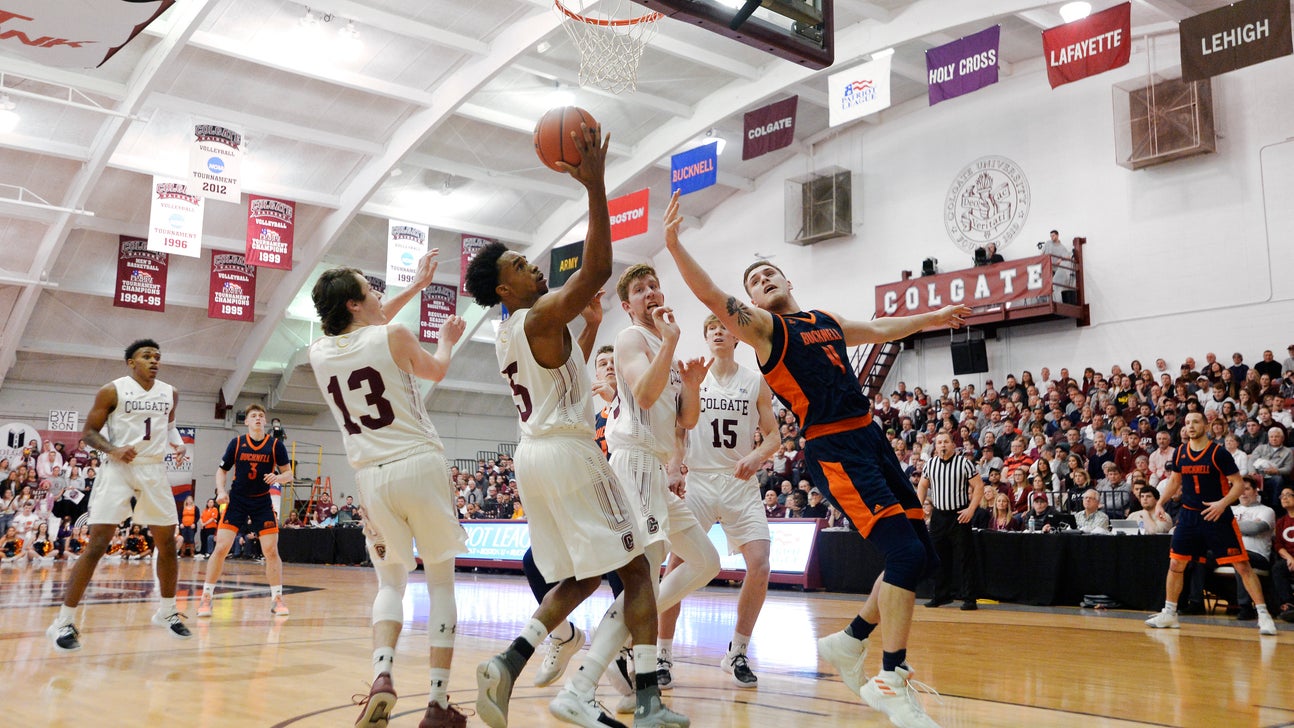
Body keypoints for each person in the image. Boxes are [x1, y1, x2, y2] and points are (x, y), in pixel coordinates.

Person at [662, 188, 970, 727]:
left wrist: (935, 316)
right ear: (751, 304)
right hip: (832, 447)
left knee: (922, 556)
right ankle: (890, 676)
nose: (765, 280)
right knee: (901, 557)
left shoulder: (824, 320)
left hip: (870, 438)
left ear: (789, 281)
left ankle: (850, 642)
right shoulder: (765, 331)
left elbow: (878, 330)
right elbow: (712, 295)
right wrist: (674, 244)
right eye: (755, 281)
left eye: (770, 273)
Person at [464, 123, 687, 728]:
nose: (534, 266)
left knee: (588, 572)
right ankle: (647, 701)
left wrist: (586, 329)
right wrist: (595, 186)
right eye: (520, 265)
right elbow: (600, 267)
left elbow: (566, 372)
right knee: (637, 568)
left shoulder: (507, 333)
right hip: (568, 452)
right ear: (505, 287)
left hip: (534, 455)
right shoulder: (535, 311)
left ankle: (510, 662)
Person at [309, 247, 471, 728]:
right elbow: (436, 369)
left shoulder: (318, 352)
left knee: (390, 582)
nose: (378, 294)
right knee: (440, 582)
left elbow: (373, 329)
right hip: (418, 465)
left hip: (371, 478)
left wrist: (416, 288)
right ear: (355, 305)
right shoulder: (395, 336)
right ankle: (438, 704)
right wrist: (445, 339)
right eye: (369, 288)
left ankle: (382, 675)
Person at [658, 315, 781, 688]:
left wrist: (757, 456)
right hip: (698, 480)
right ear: (706, 335)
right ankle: (663, 654)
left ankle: (738, 651)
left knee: (760, 564)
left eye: (724, 327)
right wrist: (675, 467)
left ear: (736, 336)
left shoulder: (755, 380)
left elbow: (773, 436)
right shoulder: (692, 375)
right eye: (711, 327)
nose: (717, 332)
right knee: (677, 565)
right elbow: (678, 432)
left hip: (739, 483)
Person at [46, 339, 190, 652]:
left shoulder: (171, 392)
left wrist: (177, 444)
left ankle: (166, 612)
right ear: (130, 362)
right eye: (146, 356)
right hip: (118, 468)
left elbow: (169, 426)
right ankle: (63, 621)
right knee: (97, 544)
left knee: (167, 542)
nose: (154, 361)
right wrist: (113, 448)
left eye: (157, 357)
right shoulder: (112, 390)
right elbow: (88, 433)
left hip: (153, 469)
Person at [1146, 412, 1278, 636]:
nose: (1190, 426)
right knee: (1176, 565)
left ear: (1206, 425)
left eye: (1195, 422)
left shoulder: (1219, 453)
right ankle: (1169, 613)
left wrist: (1222, 504)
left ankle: (1264, 615)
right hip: (1189, 516)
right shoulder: (1180, 453)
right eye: (1187, 423)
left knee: (1242, 566)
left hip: (1217, 516)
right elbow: (1175, 481)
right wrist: (1160, 502)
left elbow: (1238, 484)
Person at [197, 404, 294, 618]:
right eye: (253, 416)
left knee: (271, 551)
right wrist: (221, 491)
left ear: (265, 421)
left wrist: (278, 477)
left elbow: (289, 475)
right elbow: (221, 471)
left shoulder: (276, 445)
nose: (258, 418)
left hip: (261, 502)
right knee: (221, 547)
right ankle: (206, 597)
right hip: (238, 500)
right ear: (247, 421)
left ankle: (277, 598)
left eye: (261, 415)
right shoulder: (237, 443)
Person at [917, 433, 983, 611]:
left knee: (965, 558)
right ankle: (940, 596)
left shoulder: (964, 463)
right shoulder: (930, 464)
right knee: (938, 557)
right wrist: (918, 507)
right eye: (939, 442)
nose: (943, 445)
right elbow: (923, 485)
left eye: (946, 442)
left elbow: (978, 486)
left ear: (953, 445)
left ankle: (969, 598)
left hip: (958, 515)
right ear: (935, 447)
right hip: (938, 516)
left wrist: (971, 509)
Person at [1230, 478, 1276, 621]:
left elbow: (1256, 528)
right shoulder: (1231, 509)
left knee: (1239, 558)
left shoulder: (1266, 511)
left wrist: (1230, 525)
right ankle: (1194, 602)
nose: (1243, 493)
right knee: (1196, 557)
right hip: (1229, 551)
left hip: (1257, 555)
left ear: (1256, 491)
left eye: (1247, 489)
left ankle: (1245, 607)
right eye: (1240, 490)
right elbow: (1216, 529)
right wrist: (1244, 526)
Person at [1272, 486, 1294, 622]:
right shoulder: (1281, 522)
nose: (1284, 498)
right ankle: (1289, 605)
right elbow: (1278, 545)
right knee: (1278, 568)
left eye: (1288, 495)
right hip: (1289, 559)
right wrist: (1290, 558)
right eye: (1281, 496)